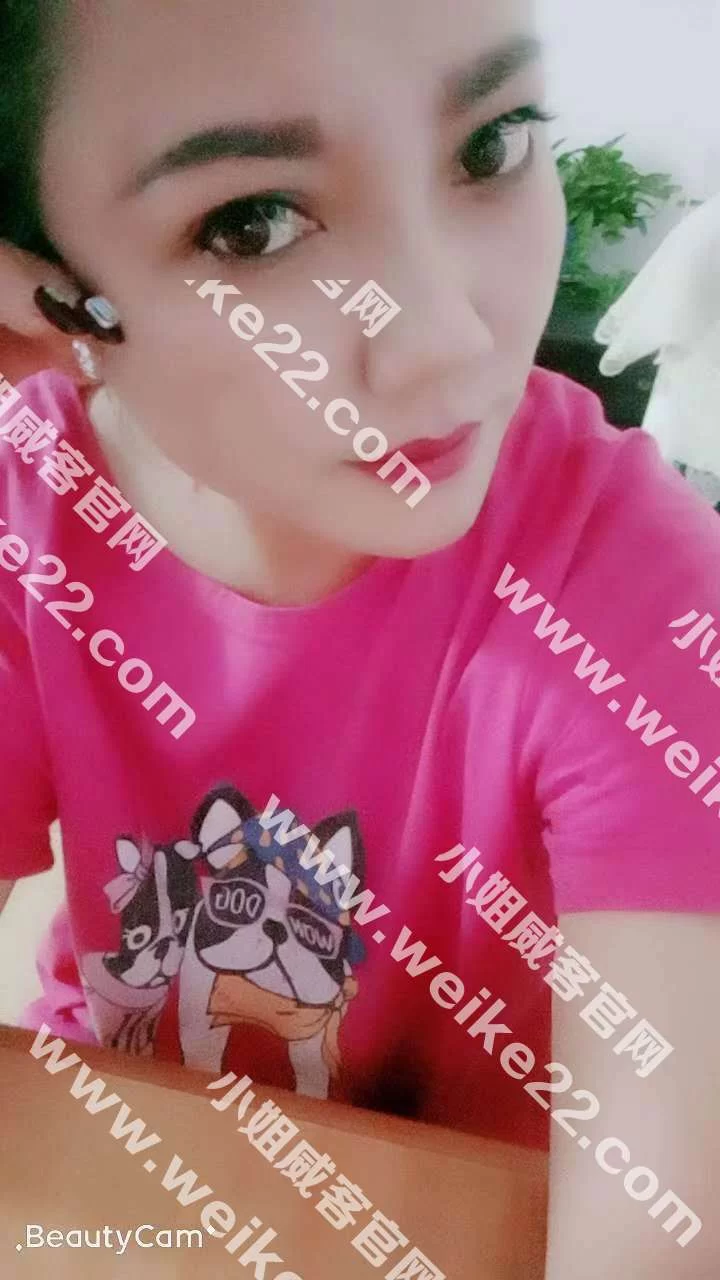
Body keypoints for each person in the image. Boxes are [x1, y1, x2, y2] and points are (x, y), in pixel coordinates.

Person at [0, 1, 718, 1274]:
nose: (451, 342)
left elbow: (651, 1230)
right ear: (42, 292)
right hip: (135, 1169)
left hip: (479, 1214)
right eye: (253, 223)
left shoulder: (635, 585)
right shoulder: (30, 516)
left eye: (493, 145)